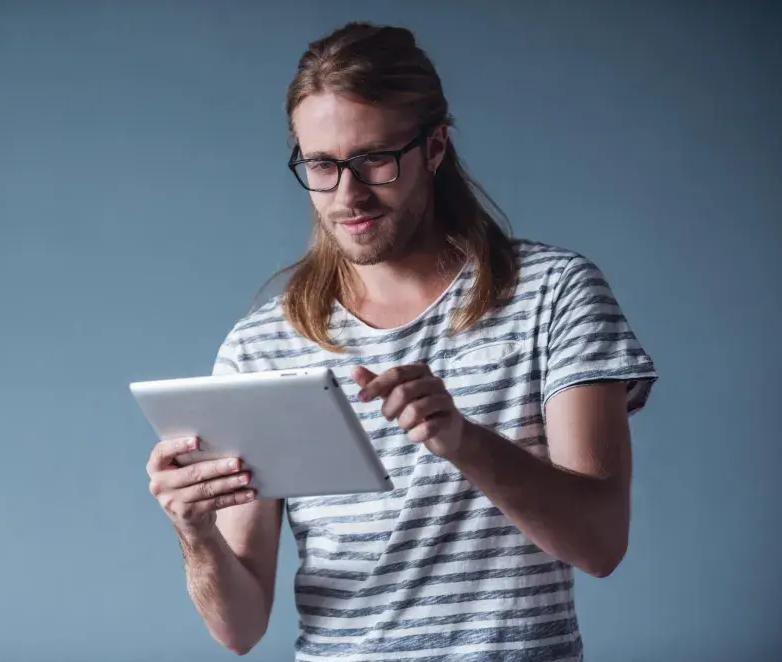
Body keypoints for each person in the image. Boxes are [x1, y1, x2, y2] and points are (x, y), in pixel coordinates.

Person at [145, 21, 657, 661]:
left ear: (435, 148)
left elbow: (601, 544)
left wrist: (465, 442)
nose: (348, 195)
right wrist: (193, 533)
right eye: (322, 165)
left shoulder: (555, 295)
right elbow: (240, 629)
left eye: (374, 161)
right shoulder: (262, 347)